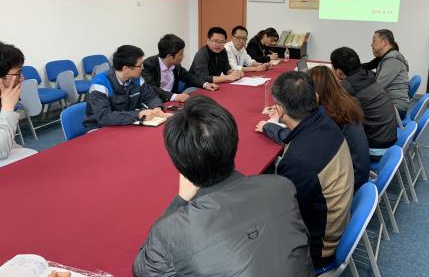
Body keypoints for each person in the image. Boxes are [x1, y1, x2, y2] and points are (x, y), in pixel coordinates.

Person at [133, 96, 314, 277]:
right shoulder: (282, 186)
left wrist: (180, 199)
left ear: (180, 165)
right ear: (234, 143)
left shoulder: (169, 232)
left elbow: (142, 270)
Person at [255, 71, 353, 268]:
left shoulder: (299, 161)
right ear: (315, 98)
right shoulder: (325, 122)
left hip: (316, 248)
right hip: (333, 221)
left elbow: (284, 217)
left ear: (279, 110)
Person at [257, 66, 370, 192]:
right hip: (350, 176)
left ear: (316, 96)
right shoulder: (333, 114)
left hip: (351, 183)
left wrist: (272, 126)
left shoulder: (296, 160)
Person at [330, 47, 397, 162]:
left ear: (339, 72)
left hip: (376, 149)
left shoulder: (348, 87)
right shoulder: (368, 75)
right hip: (390, 141)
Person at [84, 45, 165, 130]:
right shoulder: (100, 84)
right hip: (99, 128)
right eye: (140, 65)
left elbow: (151, 97)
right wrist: (138, 114)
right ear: (125, 68)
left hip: (125, 123)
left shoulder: (136, 78)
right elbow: (104, 117)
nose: (142, 68)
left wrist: (157, 107)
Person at [142, 34, 218, 103]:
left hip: (173, 101)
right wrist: (175, 97)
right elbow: (152, 88)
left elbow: (188, 77)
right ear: (169, 56)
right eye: (181, 54)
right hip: (155, 103)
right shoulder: (148, 65)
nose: (183, 56)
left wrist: (205, 84)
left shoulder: (175, 65)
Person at [363, 29, 410, 117]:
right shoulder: (387, 57)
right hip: (388, 103)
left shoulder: (392, 60)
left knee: (353, 111)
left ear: (384, 42)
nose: (371, 44)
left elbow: (377, 87)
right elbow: (368, 67)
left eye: (374, 40)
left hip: (395, 108)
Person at [0, 42, 24, 160]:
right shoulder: (6, 105)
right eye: (18, 73)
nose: (22, 78)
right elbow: (1, 151)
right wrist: (7, 109)